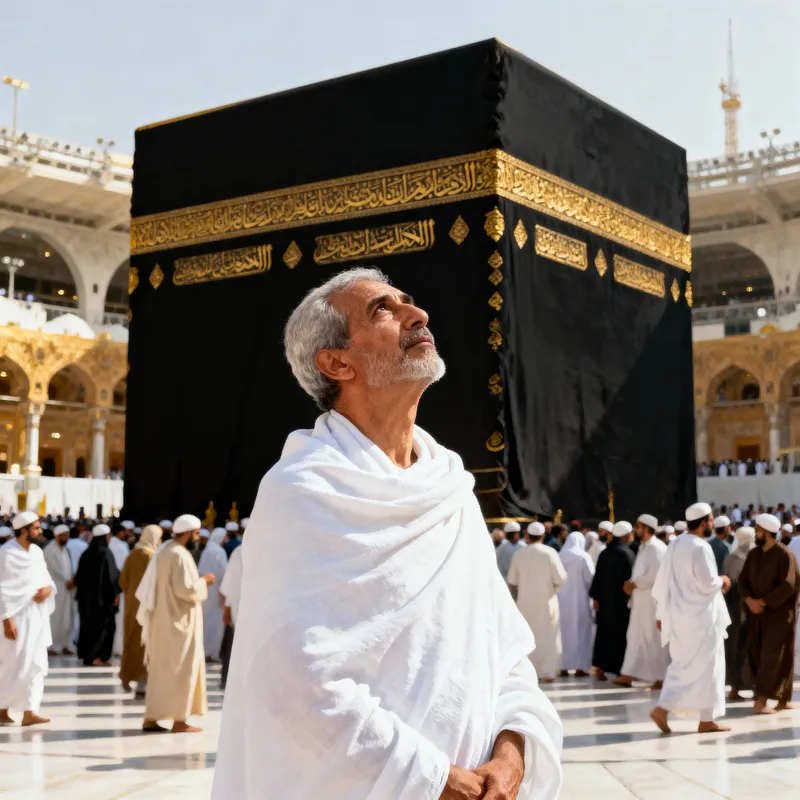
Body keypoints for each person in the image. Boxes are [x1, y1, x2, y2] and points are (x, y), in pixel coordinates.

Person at [212, 268, 563, 800]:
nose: (416, 315)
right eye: (383, 309)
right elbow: (297, 679)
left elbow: (504, 652)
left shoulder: (450, 490)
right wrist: (434, 779)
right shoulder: (304, 489)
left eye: (410, 303)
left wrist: (511, 754)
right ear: (336, 362)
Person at [650, 502, 732, 734]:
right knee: (706, 667)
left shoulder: (676, 544)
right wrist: (723, 580)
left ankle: (705, 718)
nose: (713, 524)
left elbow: (663, 583)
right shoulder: (699, 547)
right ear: (704, 522)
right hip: (701, 619)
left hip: (680, 617)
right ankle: (665, 709)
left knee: (685, 666)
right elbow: (707, 584)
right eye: (711, 520)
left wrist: (661, 614)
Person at [137, 514, 215, 733]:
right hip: (179, 623)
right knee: (181, 669)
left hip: (164, 622)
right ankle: (180, 720)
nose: (198, 538)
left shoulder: (165, 552)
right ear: (189, 533)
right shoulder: (179, 555)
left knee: (161, 670)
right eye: (197, 534)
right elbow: (186, 590)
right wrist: (204, 581)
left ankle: (151, 718)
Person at [738, 513, 800, 714]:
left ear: (765, 532)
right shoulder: (754, 554)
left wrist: (764, 601)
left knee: (776, 655)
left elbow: (788, 585)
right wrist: (749, 600)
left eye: (758, 530)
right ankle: (774, 698)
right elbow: (743, 582)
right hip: (757, 615)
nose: (756, 533)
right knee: (758, 655)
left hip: (779, 615)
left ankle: (765, 700)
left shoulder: (785, 555)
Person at [0, 512, 55, 727]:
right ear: (24, 530)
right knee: (12, 664)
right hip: (15, 618)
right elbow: (1, 589)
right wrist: (6, 620)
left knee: (36, 662)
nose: (40, 531)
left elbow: (46, 579)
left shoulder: (37, 552)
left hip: (36, 617)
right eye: (37, 528)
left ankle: (30, 711)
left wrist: (49, 589)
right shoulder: (6, 553)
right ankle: (2, 708)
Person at [507, 521, 567, 684]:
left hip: (525, 603)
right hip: (547, 602)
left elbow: (512, 579)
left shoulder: (519, 554)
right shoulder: (550, 553)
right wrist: (554, 589)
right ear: (542, 536)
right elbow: (561, 577)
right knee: (548, 636)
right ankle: (548, 672)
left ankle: (529, 673)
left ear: (527, 536)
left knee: (529, 637)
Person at [614, 514, 670, 689]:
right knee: (636, 637)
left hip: (652, 602)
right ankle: (629, 673)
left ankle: (662, 677)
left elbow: (655, 575)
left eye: (637, 526)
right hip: (640, 601)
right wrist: (631, 584)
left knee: (653, 638)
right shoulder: (644, 547)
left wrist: (634, 584)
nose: (634, 529)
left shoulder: (656, 548)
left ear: (646, 528)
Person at [118, 524, 163, 697]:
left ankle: (126, 677)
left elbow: (123, 581)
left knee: (131, 641)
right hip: (146, 608)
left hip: (131, 606)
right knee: (145, 644)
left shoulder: (132, 555)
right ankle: (142, 682)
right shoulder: (150, 556)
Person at [590, 521, 635, 681]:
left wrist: (595, 597)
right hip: (621, 603)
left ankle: (600, 669)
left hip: (604, 601)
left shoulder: (605, 552)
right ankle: (619, 669)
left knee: (603, 633)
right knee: (619, 636)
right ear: (625, 535)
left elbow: (597, 577)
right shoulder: (627, 553)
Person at [74, 523, 121, 666]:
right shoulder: (106, 553)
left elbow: (79, 578)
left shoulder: (86, 553)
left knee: (88, 626)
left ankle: (88, 655)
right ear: (106, 537)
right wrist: (115, 594)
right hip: (102, 601)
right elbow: (111, 577)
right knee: (102, 627)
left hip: (86, 601)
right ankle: (96, 656)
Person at [722, 525, 756, 701]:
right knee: (737, 648)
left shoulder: (746, 556)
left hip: (746, 609)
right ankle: (735, 686)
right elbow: (735, 583)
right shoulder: (736, 557)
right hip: (738, 610)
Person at [557, 531, 594, 677]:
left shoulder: (559, 556)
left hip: (561, 600)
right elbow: (590, 578)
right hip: (580, 600)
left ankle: (563, 666)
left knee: (563, 633)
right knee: (580, 632)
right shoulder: (583, 557)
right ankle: (580, 667)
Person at [43, 523, 75, 656]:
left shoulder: (64, 550)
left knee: (67, 617)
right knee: (55, 617)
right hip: (57, 587)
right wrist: (67, 580)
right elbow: (55, 569)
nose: (66, 538)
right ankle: (52, 646)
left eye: (67, 535)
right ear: (58, 535)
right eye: (64, 536)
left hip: (67, 588)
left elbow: (68, 567)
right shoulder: (50, 549)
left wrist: (72, 580)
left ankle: (64, 644)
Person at [198, 527, 228, 662]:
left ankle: (205, 652)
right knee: (215, 623)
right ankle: (212, 653)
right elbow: (224, 573)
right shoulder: (218, 551)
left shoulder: (208, 550)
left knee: (206, 622)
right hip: (217, 593)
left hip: (206, 591)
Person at [219, 540, 243, 690]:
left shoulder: (238, 552)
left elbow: (229, 585)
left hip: (239, 607)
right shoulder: (239, 552)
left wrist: (227, 608)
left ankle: (228, 680)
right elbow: (232, 582)